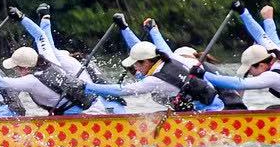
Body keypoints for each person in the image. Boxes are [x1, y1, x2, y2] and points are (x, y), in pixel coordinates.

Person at [0, 45, 112, 116]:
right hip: (86, 108)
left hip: (87, 114)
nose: (16, 72)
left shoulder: (31, 81)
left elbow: (0, 82)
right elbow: (41, 37)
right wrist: (27, 18)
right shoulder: (48, 66)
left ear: (24, 68)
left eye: (16, 68)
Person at [85, 39, 223, 112]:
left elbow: (121, 91)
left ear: (146, 62)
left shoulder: (155, 80)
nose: (136, 68)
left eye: (137, 64)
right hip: (214, 103)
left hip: (210, 111)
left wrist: (87, 86)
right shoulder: (170, 58)